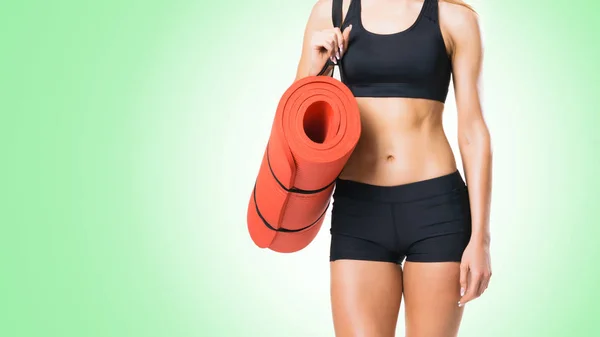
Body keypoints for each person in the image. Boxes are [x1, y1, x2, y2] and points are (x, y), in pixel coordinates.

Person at [293, 0, 492, 336]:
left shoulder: (455, 18)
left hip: (436, 210)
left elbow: (473, 132)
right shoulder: (331, 12)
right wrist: (318, 67)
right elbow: (297, 122)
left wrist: (481, 239)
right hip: (359, 212)